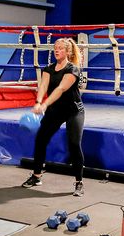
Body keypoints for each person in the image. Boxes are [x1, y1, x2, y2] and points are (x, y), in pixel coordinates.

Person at [21, 37, 86, 196]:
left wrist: (44, 105)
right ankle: (36, 176)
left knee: (74, 143)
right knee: (41, 139)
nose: (57, 50)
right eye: (55, 48)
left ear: (68, 52)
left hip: (73, 110)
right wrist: (38, 101)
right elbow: (43, 85)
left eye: (60, 48)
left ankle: (79, 182)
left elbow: (61, 89)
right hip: (55, 111)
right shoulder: (49, 68)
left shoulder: (73, 69)